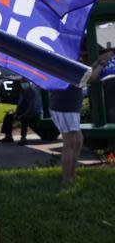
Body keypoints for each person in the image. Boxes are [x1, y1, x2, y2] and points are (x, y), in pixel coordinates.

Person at [46, 50, 115, 186]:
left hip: (68, 106)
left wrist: (97, 61)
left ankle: (71, 175)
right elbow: (91, 77)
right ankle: (66, 179)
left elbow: (85, 72)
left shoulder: (70, 57)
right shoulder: (68, 59)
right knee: (70, 142)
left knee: (78, 140)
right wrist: (102, 63)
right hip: (65, 106)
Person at [0, 78, 41, 144]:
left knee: (24, 118)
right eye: (22, 83)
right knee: (8, 116)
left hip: (34, 113)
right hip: (25, 111)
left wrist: (22, 115)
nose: (23, 84)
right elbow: (20, 104)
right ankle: (8, 136)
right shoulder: (23, 92)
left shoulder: (32, 92)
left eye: (24, 82)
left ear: (28, 83)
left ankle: (23, 138)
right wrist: (16, 113)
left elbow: (32, 108)